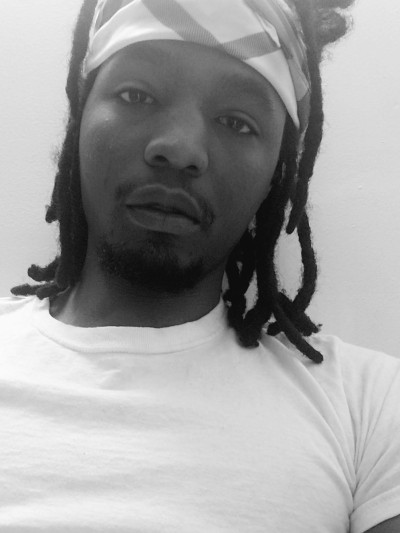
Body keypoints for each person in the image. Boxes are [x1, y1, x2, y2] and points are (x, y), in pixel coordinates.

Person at [1, 0, 399, 531]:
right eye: (137, 95)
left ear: (277, 173)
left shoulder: (371, 406)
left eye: (236, 122)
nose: (181, 148)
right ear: (81, 116)